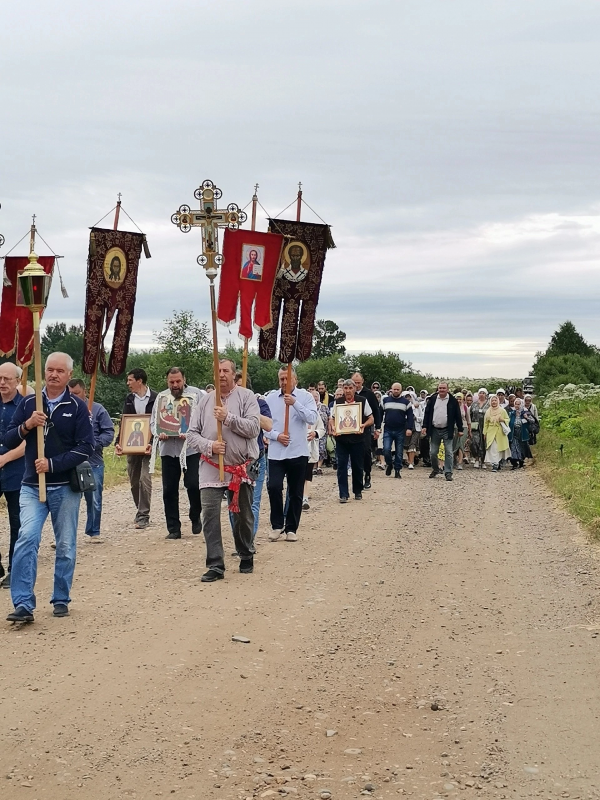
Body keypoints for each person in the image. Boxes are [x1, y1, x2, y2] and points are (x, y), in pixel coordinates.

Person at [5, 353, 95, 622]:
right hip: (31, 486)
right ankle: (22, 603)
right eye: (49, 370)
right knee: (26, 540)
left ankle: (60, 598)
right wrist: (27, 425)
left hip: (64, 486)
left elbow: (86, 447)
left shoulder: (77, 407)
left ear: (69, 374)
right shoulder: (29, 403)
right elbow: (9, 439)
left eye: (59, 371)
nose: (54, 375)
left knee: (65, 545)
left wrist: (53, 464)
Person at [187, 359, 260, 582]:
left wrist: (227, 418)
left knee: (242, 517)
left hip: (240, 468)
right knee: (209, 516)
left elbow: (254, 428)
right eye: (217, 371)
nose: (221, 375)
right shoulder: (204, 401)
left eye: (226, 371)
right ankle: (215, 564)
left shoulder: (247, 397)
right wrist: (210, 446)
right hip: (211, 467)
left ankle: (246, 553)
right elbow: (191, 435)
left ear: (234, 374)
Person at [264, 367, 318, 542]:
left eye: (287, 379)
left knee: (295, 492)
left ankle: (292, 528)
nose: (284, 382)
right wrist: (276, 436)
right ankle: (277, 525)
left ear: (295, 379)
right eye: (281, 379)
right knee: (274, 487)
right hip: (276, 452)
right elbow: (264, 426)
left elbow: (312, 418)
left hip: (298, 451)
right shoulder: (270, 398)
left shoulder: (305, 397)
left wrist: (294, 402)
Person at [150, 367, 203, 540]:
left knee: (194, 485)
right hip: (168, 450)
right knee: (169, 490)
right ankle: (173, 528)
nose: (175, 385)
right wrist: (160, 432)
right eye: (171, 382)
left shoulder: (196, 395)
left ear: (184, 379)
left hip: (190, 450)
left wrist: (191, 433)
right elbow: (153, 423)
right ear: (167, 381)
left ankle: (195, 515)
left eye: (178, 381)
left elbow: (203, 419)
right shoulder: (161, 397)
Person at [67, 379, 115, 542]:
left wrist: (94, 444)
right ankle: (65, 534)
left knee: (94, 499)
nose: (72, 396)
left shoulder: (97, 409)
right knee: (67, 501)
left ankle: (94, 532)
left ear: (85, 392)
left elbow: (109, 432)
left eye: (76, 393)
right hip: (69, 462)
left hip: (92, 462)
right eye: (70, 393)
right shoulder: (64, 409)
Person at [230, 373, 272, 540]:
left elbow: (269, 425)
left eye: (241, 386)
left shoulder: (259, 402)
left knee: (252, 501)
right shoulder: (227, 404)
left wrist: (251, 409)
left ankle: (248, 541)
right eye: (236, 386)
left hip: (255, 459)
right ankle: (238, 539)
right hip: (232, 459)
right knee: (233, 502)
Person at [116, 368, 157, 529]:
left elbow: (159, 423)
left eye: (130, 380)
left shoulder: (155, 398)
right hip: (132, 446)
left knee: (144, 478)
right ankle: (140, 510)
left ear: (139, 381)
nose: (128, 383)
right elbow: (124, 423)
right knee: (134, 481)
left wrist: (152, 443)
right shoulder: (129, 399)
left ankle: (143, 515)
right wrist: (119, 443)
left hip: (148, 446)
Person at [0, 363, 26, 588]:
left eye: (7, 379)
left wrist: (5, 458)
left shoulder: (25, 406)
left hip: (17, 470)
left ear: (18, 381)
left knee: (17, 522)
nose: (2, 383)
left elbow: (28, 442)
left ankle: (13, 569)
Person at [330, 379, 373, 502]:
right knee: (341, 466)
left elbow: (371, 418)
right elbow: (332, 418)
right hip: (341, 439)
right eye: (345, 388)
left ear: (355, 388)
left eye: (350, 388)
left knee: (358, 466)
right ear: (343, 389)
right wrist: (333, 427)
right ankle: (343, 494)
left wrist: (364, 425)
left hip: (358, 439)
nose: (348, 391)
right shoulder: (338, 402)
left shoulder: (362, 401)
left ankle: (358, 490)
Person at [422, 382, 464, 481]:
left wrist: (460, 429)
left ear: (447, 389)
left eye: (444, 388)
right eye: (440, 388)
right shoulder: (432, 399)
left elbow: (457, 415)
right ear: (438, 389)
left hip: (447, 430)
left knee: (449, 452)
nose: (441, 390)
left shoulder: (453, 401)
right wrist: (424, 426)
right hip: (434, 429)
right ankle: (436, 469)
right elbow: (427, 413)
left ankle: (448, 472)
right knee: (433, 452)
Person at [351, 372, 382, 490]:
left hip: (366, 427)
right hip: (351, 428)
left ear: (362, 381)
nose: (357, 385)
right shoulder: (348, 393)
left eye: (359, 383)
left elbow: (376, 411)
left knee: (366, 451)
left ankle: (367, 474)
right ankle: (356, 477)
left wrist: (377, 428)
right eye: (355, 382)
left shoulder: (369, 394)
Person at [381, 383, 413, 478]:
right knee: (386, 449)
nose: (395, 391)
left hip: (400, 429)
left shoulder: (406, 402)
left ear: (401, 390)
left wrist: (409, 428)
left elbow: (410, 416)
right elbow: (379, 413)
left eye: (397, 389)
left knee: (399, 452)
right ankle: (389, 464)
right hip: (388, 429)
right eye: (394, 389)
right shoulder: (385, 400)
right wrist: (378, 426)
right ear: (391, 389)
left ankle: (397, 470)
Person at [483, 394, 510, 472]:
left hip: (500, 432)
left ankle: (496, 463)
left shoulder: (502, 410)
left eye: (495, 400)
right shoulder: (488, 411)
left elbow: (507, 419)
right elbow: (485, 423)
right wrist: (484, 433)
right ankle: (494, 463)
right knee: (492, 448)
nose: (494, 402)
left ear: (497, 401)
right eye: (492, 401)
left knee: (498, 448)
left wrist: (503, 420)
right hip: (491, 432)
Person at [508, 397, 532, 469]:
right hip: (513, 432)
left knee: (521, 447)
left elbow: (532, 421)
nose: (517, 406)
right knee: (513, 447)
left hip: (522, 433)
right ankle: (514, 462)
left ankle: (521, 461)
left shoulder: (525, 412)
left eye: (518, 404)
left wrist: (526, 418)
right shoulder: (511, 413)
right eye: (516, 404)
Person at [469, 388, 489, 469]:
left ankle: (483, 461)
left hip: (485, 426)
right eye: (480, 393)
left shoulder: (489, 404)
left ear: (486, 395)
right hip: (475, 426)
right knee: (474, 442)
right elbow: (470, 415)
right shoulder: (474, 404)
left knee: (484, 443)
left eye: (483, 393)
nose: (481, 394)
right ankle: (476, 459)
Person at [453, 392, 471, 470]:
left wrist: (470, 431)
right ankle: (454, 461)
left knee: (461, 445)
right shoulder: (451, 407)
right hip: (454, 427)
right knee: (454, 445)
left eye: (460, 399)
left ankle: (460, 462)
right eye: (457, 398)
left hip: (464, 427)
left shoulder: (465, 407)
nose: (458, 400)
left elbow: (468, 420)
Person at [406, 393, 424, 470]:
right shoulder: (405, 407)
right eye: (406, 397)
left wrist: (416, 418)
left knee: (413, 444)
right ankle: (408, 460)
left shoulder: (418, 406)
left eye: (409, 397)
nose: (408, 399)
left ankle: (411, 462)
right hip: (406, 428)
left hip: (416, 428)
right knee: (406, 445)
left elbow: (422, 417)